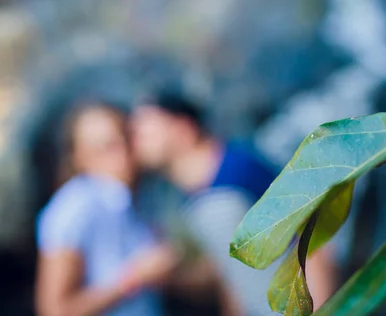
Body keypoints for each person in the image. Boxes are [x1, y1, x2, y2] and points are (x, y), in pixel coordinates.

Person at [131, 88, 336, 314]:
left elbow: (312, 235)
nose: (136, 141)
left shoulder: (241, 168)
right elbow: (231, 274)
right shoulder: (188, 199)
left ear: (183, 129)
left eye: (144, 130)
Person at [36, 102, 178, 316]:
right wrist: (133, 278)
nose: (122, 154)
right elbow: (55, 310)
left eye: (126, 139)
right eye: (106, 147)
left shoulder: (137, 198)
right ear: (78, 157)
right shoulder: (73, 209)